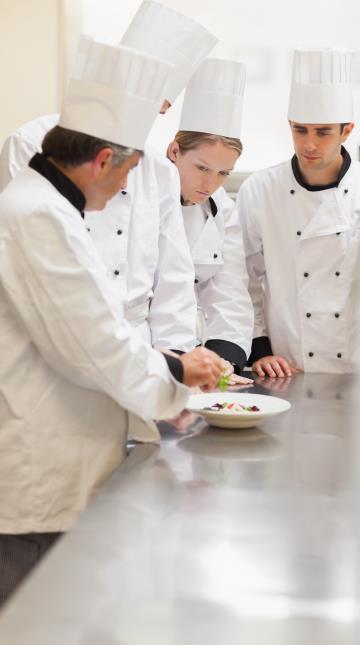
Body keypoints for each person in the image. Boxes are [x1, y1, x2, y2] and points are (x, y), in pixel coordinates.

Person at [0, 36, 222, 608]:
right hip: (43, 467)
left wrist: (170, 368)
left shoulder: (46, 206)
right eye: (127, 172)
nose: (128, 187)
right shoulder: (38, 216)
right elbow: (90, 342)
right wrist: (175, 374)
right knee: (38, 618)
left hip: (73, 450)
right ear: (102, 160)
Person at [0, 0, 218, 354]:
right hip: (54, 345)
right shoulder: (29, 144)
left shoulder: (159, 170)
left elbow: (173, 280)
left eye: (159, 110)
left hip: (139, 347)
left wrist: (177, 361)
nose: (122, 182)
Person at [236, 48, 360, 377]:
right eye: (300, 130)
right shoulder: (259, 191)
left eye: (322, 133)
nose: (309, 144)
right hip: (287, 367)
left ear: (346, 130)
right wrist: (259, 347)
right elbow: (243, 278)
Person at [167, 58, 254, 386]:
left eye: (223, 173)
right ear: (174, 151)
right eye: (202, 168)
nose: (210, 184)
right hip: (142, 357)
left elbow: (229, 293)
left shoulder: (221, 208)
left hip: (189, 358)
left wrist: (221, 362)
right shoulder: (137, 197)